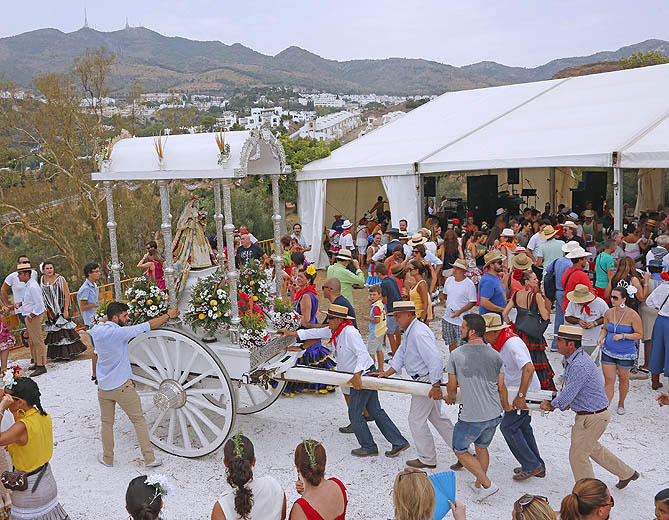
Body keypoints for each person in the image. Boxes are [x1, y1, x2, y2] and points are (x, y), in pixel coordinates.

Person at [280, 304, 409, 458]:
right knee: (375, 410)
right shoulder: (335, 329)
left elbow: (362, 353)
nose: (328, 321)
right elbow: (314, 332)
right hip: (362, 373)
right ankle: (399, 442)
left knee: (355, 414)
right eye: (328, 318)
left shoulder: (350, 332)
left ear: (340, 319)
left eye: (331, 319)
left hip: (363, 374)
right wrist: (290, 333)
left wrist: (357, 375)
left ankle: (369, 446)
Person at [540, 325, 638, 486]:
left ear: (570, 345)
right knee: (592, 448)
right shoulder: (574, 360)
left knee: (578, 455)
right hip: (593, 415)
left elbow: (568, 394)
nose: (556, 343)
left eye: (559, 340)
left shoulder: (579, 364)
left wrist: (552, 404)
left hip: (592, 418)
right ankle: (626, 473)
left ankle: (589, 495)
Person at [91, 301, 180, 468]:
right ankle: (149, 458)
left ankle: (107, 458)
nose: (128, 318)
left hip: (103, 386)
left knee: (106, 423)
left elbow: (104, 320)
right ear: (116, 317)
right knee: (138, 420)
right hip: (122, 386)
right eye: (124, 316)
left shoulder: (97, 331)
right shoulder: (121, 333)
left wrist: (111, 315)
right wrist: (169, 315)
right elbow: (149, 325)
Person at [372, 300, 454, 469]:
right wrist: (387, 372)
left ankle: (428, 458)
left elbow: (436, 359)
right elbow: (402, 353)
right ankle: (462, 450)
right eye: (394, 315)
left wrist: (436, 385)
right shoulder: (410, 330)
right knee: (438, 418)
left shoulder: (418, 333)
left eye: (398, 315)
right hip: (425, 379)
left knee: (416, 420)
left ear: (409, 315)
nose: (396, 319)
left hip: (426, 381)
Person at [445, 313, 510, 503]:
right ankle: (479, 486)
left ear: (472, 331)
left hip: (472, 415)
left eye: (463, 327)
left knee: (460, 449)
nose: (461, 330)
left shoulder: (457, 354)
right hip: (494, 413)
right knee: (482, 447)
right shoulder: (496, 355)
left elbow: (451, 386)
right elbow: (501, 387)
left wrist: (449, 398)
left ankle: (488, 485)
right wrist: (507, 406)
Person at [482, 314, 545, 481]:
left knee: (508, 427)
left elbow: (529, 368)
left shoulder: (511, 343)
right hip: (516, 391)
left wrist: (521, 396)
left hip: (524, 391)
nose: (483, 336)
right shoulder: (499, 342)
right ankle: (537, 465)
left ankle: (531, 465)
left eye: (485, 333)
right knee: (523, 427)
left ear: (495, 332)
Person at [0, 376, 69, 520]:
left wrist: (1, 409)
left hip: (29, 490)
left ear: (20, 402)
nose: (4, 399)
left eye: (8, 397)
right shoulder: (43, 416)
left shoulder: (21, 427)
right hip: (46, 478)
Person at [284, 267, 337, 396]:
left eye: (301, 277)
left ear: (308, 280)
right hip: (308, 329)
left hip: (306, 331)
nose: (297, 279)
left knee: (305, 357)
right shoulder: (305, 293)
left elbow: (306, 321)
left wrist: (290, 317)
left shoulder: (306, 296)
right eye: (297, 276)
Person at [212, 433, 286, 520]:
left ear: (225, 462)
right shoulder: (273, 486)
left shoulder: (222, 507)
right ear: (254, 461)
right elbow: (282, 516)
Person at [503, 271, 556, 391]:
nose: (537, 281)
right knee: (537, 362)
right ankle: (538, 389)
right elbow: (545, 316)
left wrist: (511, 325)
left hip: (519, 332)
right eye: (534, 279)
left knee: (521, 361)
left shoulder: (516, 295)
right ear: (527, 282)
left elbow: (505, 313)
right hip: (532, 334)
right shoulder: (536, 296)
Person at [597, 286, 643, 414]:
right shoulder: (609, 312)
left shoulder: (633, 315)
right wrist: (601, 337)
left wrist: (624, 336)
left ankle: (621, 403)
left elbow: (639, 334)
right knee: (609, 380)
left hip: (625, 353)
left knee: (623, 378)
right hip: (608, 350)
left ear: (624, 299)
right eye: (611, 296)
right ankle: (605, 407)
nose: (612, 299)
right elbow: (605, 328)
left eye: (615, 297)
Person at [40, 260, 88, 361]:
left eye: (51, 268)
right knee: (55, 331)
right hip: (50, 310)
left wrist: (65, 310)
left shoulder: (60, 279)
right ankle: (57, 354)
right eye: (47, 268)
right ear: (43, 270)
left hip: (61, 308)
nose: (49, 270)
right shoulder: (42, 279)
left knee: (65, 331)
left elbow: (67, 294)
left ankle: (69, 353)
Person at [290, 440, 346, 520]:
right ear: (324, 462)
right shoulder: (337, 485)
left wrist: (306, 496)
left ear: (297, 467)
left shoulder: (300, 508)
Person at [17, 261, 49, 377]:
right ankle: (37, 362)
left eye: (19, 274)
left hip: (33, 317)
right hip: (30, 316)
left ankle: (41, 365)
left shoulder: (33, 286)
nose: (18, 276)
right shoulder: (29, 285)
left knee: (38, 341)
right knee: (33, 341)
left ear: (26, 274)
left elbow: (40, 305)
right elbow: (31, 301)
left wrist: (31, 315)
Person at [1, 255, 38, 348]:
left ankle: (25, 335)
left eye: (28, 262)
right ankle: (34, 357)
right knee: (32, 330)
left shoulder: (34, 273)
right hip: (21, 310)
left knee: (33, 331)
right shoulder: (12, 277)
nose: (26, 264)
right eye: (24, 262)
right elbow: (3, 290)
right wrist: (6, 305)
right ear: (18, 264)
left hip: (35, 307)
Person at [565, 284, 608, 363]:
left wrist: (595, 323)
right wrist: (578, 321)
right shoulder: (572, 303)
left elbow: (607, 317)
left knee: (591, 364)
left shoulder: (600, 303)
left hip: (593, 340)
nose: (578, 303)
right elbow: (567, 317)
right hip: (575, 339)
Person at [442, 258, 477, 352]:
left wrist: (460, 311)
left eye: (457, 268)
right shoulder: (449, 280)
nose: (454, 270)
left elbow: (473, 301)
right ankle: (453, 362)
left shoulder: (469, 284)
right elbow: (445, 295)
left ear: (464, 271)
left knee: (462, 345)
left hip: (461, 320)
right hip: (447, 318)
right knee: (451, 343)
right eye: (454, 268)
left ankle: (461, 365)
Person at [77, 262, 101, 383]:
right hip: (90, 321)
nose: (99, 273)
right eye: (96, 271)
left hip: (96, 318)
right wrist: (95, 304)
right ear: (89, 273)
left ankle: (97, 373)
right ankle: (95, 374)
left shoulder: (94, 285)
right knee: (97, 348)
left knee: (99, 347)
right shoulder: (85, 288)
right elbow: (82, 307)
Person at [645, 272, 669, 390]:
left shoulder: (662, 287)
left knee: (657, 349)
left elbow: (648, 302)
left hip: (660, 320)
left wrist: (659, 307)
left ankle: (655, 381)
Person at [376, 263, 403, 355]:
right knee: (397, 331)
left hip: (392, 310)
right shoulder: (392, 279)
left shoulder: (384, 283)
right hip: (399, 307)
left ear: (379, 273)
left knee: (390, 333)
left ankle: (395, 355)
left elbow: (385, 300)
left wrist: (378, 301)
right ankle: (398, 351)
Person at [561, 247, 594, 314]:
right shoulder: (582, 275)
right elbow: (590, 293)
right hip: (577, 310)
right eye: (585, 259)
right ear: (580, 260)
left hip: (567, 306)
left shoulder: (567, 272)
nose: (586, 261)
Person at [363, 285, 386, 371]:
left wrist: (367, 318)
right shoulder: (380, 304)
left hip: (375, 332)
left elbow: (377, 320)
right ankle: (381, 369)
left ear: (379, 295)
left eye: (374, 294)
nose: (372, 296)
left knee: (371, 352)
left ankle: (372, 369)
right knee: (379, 350)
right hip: (381, 331)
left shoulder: (376, 307)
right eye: (370, 295)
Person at [478, 250, 507, 317]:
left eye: (501, 262)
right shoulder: (488, 280)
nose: (501, 264)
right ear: (491, 265)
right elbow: (484, 302)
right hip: (490, 319)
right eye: (499, 262)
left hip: (496, 317)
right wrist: (503, 310)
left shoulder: (495, 277)